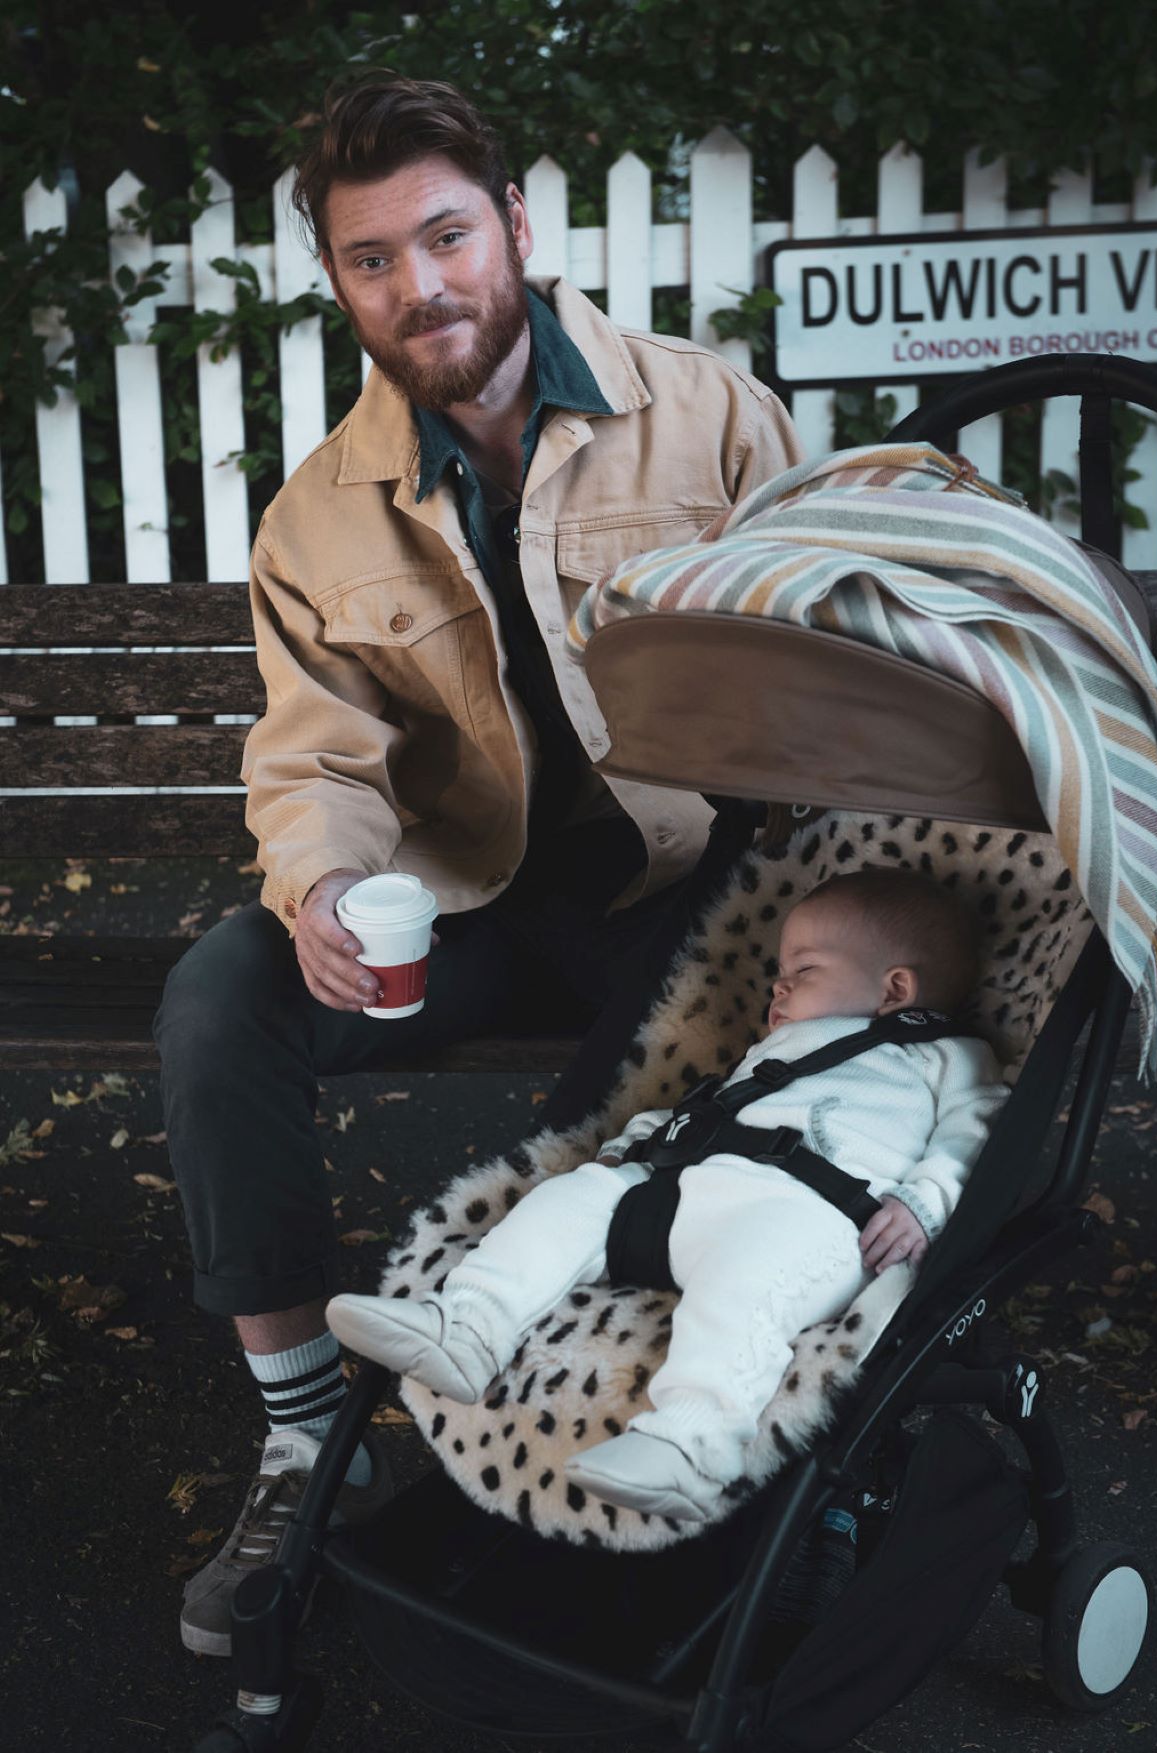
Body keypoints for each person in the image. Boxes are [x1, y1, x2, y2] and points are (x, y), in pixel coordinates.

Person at [155, 70, 803, 1654]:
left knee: (654, 1111)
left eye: (445, 236)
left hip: (687, 888)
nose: (419, 284)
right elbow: (317, 751)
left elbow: (823, 649)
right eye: (372, 258)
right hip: (472, 902)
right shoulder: (321, 516)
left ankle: (599, 1445)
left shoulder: (705, 412)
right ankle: (306, 1428)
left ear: (514, 225)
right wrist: (315, 887)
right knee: (219, 993)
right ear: (337, 281)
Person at [326, 870, 1008, 1523]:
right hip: (685, 1188)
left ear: (895, 989)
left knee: (746, 1288)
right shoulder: (776, 1051)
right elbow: (710, 1106)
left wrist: (924, 1201)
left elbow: (976, 1133)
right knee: (578, 1197)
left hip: (811, 1218)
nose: (778, 986)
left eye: (802, 971)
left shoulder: (942, 1055)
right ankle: (472, 1325)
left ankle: (691, 1443)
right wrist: (638, 1143)